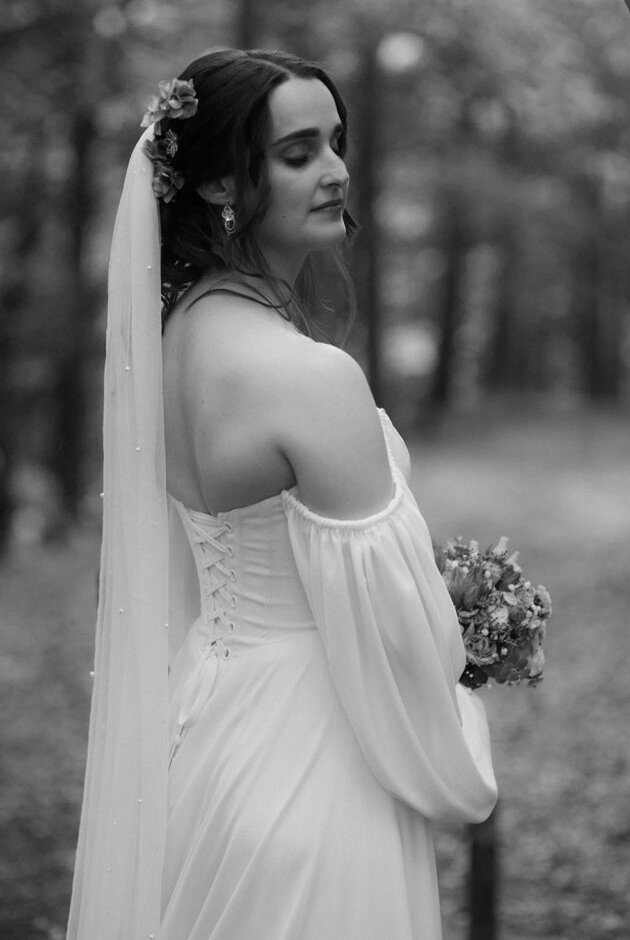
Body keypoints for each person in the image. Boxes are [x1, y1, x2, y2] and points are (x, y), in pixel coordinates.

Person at [67, 48, 497, 940]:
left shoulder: (170, 343)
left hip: (209, 742)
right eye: (299, 153)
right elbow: (389, 631)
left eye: (336, 143)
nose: (338, 171)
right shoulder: (310, 376)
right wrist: (462, 675)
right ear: (224, 179)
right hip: (319, 764)